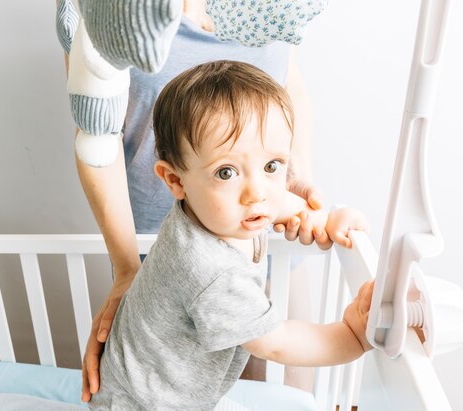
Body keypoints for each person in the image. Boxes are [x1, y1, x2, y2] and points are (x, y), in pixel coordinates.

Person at [76, 1, 327, 401]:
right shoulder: (109, 11)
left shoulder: (277, 8)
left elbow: (287, 78)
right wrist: (126, 268)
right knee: (174, 380)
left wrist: (293, 184)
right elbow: (94, 132)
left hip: (261, 234)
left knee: (287, 387)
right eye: (227, 172)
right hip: (158, 244)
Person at [88, 60, 373, 409]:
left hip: (150, 384)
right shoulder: (210, 271)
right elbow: (276, 343)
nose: (257, 192)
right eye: (226, 172)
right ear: (175, 181)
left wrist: (325, 218)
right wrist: (353, 336)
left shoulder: (220, 209)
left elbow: (282, 201)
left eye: (271, 166)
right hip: (145, 403)